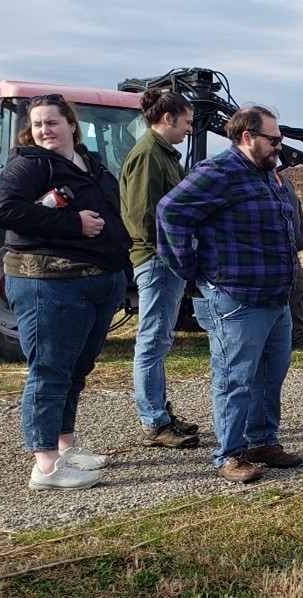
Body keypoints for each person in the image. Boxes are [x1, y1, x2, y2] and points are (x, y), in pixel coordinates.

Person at [0, 94, 131, 490]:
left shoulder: (90, 164)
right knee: (49, 371)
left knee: (75, 369)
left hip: (97, 280)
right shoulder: (30, 164)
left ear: (71, 123)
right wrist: (72, 224)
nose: (44, 130)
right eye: (37, 124)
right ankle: (46, 466)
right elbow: (2, 211)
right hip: (49, 282)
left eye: (52, 122)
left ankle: (65, 444)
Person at [158, 105, 303, 483]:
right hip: (237, 299)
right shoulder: (219, 171)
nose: (279, 145)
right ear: (246, 137)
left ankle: (261, 441)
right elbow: (170, 211)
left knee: (270, 375)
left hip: (275, 298)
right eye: (273, 139)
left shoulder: (267, 174)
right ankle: (229, 454)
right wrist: (190, 271)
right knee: (235, 379)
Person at [120, 88, 201, 450]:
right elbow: (143, 217)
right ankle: (153, 421)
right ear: (167, 119)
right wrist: (173, 252)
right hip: (157, 260)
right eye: (186, 123)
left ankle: (161, 414)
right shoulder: (149, 156)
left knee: (160, 339)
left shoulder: (163, 154)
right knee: (152, 341)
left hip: (164, 259)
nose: (188, 130)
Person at [282, 171, 303, 349]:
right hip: (273, 253)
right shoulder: (259, 181)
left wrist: (302, 235)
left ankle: (298, 338)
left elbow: (297, 208)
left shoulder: (285, 181)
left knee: (298, 292)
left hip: (292, 250)